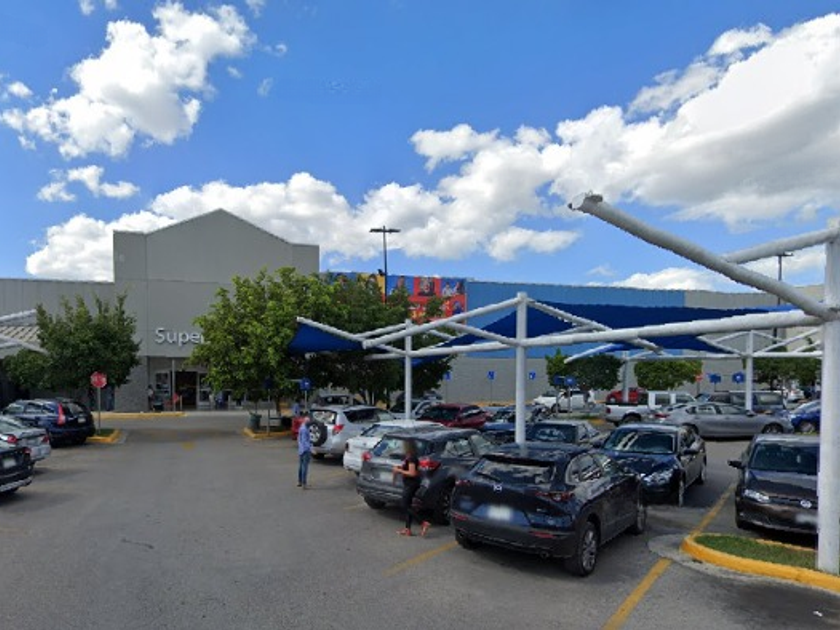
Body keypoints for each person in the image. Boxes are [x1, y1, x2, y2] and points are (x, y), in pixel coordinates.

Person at [392, 440, 430, 537]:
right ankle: (407, 529)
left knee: (404, 505)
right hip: (409, 484)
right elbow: (409, 469)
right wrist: (400, 468)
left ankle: (423, 522)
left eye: (404, 446)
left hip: (411, 484)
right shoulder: (409, 457)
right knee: (408, 505)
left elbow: (412, 473)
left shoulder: (412, 458)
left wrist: (399, 471)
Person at [297, 417, 312, 489]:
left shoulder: (302, 427)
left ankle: (300, 481)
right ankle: (304, 483)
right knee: (304, 467)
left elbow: (299, 439)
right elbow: (305, 441)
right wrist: (310, 449)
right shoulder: (305, 429)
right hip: (305, 450)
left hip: (301, 450)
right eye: (308, 422)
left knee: (301, 466)